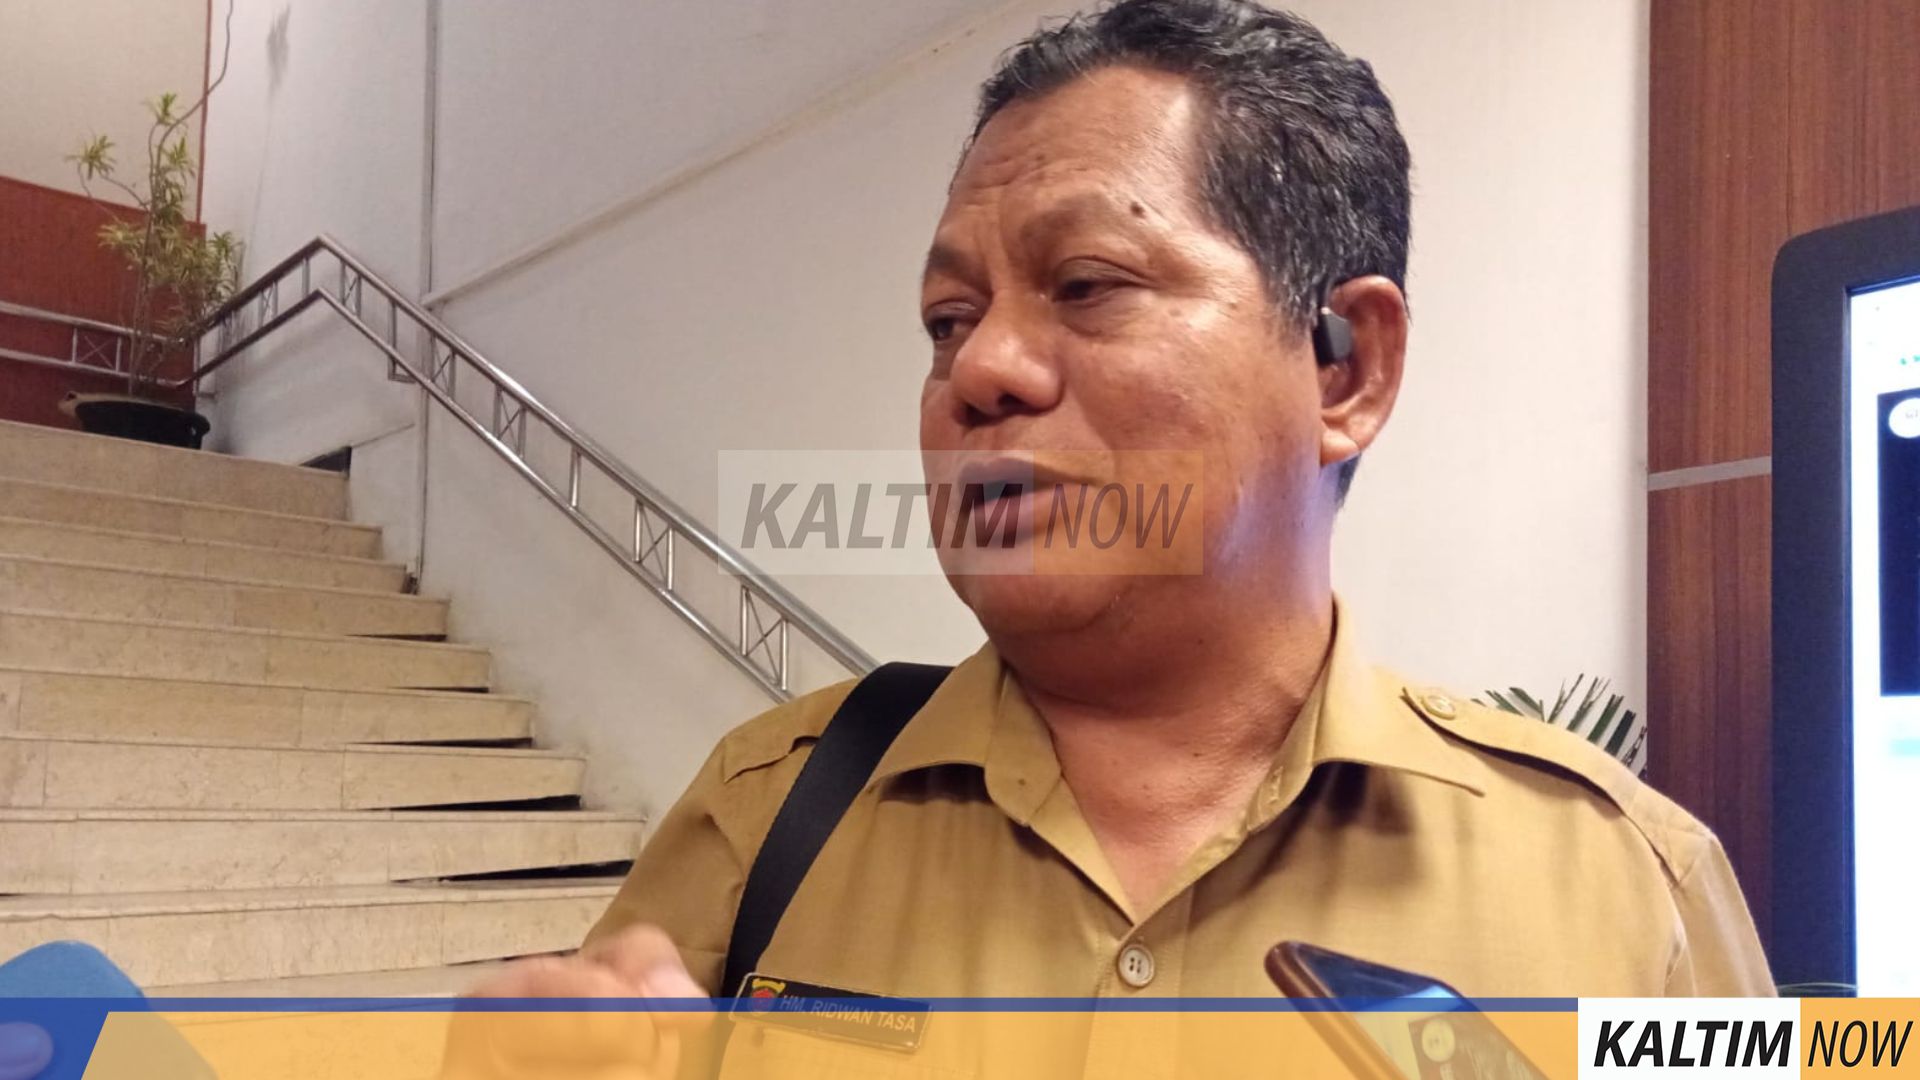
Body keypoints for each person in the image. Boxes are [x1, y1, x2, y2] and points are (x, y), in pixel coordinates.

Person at [452, 0, 1772, 1073]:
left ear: (1345, 369)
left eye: (1086, 286)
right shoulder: (767, 818)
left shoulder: (1626, 888)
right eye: (949, 321)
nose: (982, 370)